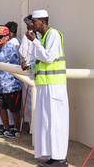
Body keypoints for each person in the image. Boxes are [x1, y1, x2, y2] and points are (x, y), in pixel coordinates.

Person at [22, 10, 69, 167]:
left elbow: (49, 57)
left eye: (34, 21)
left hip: (54, 86)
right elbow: (41, 62)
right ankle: (52, 157)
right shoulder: (42, 38)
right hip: (44, 85)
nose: (31, 24)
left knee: (56, 123)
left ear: (42, 22)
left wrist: (34, 42)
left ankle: (60, 159)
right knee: (46, 123)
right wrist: (30, 66)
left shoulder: (53, 34)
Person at [18, 15, 34, 134]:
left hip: (29, 71)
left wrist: (25, 62)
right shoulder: (42, 35)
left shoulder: (27, 36)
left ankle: (31, 127)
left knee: (29, 100)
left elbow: (23, 53)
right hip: (36, 71)